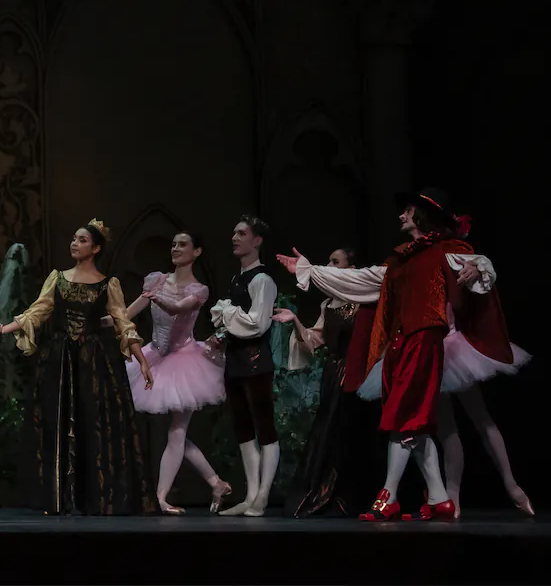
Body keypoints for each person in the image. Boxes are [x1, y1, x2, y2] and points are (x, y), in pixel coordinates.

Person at [0, 219, 153, 516]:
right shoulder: (58, 278)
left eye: (82, 240)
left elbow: (123, 323)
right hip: (60, 357)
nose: (74, 244)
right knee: (58, 421)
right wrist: (5, 328)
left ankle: (94, 497)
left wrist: (142, 359)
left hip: (93, 360)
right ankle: (60, 497)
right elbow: (38, 311)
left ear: (96, 248)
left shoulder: (107, 284)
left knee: (94, 423)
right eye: (74, 239)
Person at [355, 188, 477, 522]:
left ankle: (389, 495)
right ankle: (439, 499)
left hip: (424, 340)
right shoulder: (397, 261)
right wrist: (310, 270)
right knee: (415, 424)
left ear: (421, 216)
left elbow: (479, 265)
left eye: (407, 211)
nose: (400, 216)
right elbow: (360, 279)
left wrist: (478, 272)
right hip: (399, 343)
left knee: (402, 416)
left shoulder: (444, 251)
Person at [272, 246, 386, 518]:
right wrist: (296, 320)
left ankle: (354, 496)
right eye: (329, 261)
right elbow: (315, 340)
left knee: (353, 432)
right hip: (333, 374)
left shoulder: (366, 300)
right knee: (330, 432)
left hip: (358, 372)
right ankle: (329, 494)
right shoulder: (328, 304)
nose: (329, 266)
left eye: (335, 262)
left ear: (351, 270)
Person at [122, 231, 231, 514]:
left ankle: (161, 496)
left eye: (183, 244)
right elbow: (127, 313)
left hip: (185, 361)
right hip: (155, 355)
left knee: (177, 431)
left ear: (197, 252)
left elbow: (177, 307)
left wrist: (157, 297)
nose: (176, 248)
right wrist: (99, 319)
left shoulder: (198, 290)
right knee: (177, 434)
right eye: (173, 244)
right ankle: (216, 482)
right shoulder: (156, 280)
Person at [209, 214, 281, 517]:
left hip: (255, 361)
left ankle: (262, 496)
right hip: (236, 361)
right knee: (243, 428)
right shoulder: (238, 279)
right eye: (234, 233)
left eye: (242, 233)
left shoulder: (262, 279)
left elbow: (256, 324)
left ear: (257, 241)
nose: (235, 238)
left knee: (264, 426)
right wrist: (223, 329)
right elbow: (236, 320)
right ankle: (250, 495)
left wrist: (227, 313)